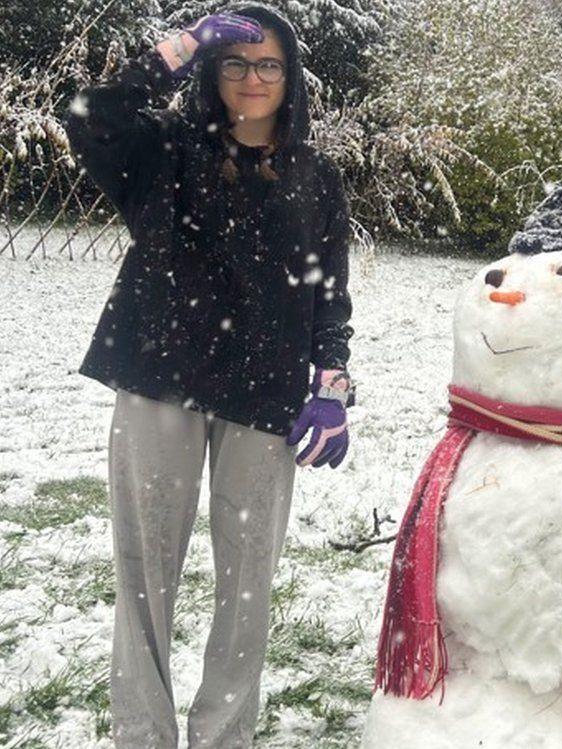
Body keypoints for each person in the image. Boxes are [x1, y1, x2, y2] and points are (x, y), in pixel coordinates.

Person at [66, 4, 353, 746]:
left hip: (266, 394)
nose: (252, 78)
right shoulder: (163, 151)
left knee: (247, 583)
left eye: (269, 65)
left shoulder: (318, 179)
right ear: (212, 72)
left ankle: (225, 733)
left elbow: (330, 294)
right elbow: (91, 113)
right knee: (144, 572)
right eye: (235, 62)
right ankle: (143, 732)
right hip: (159, 372)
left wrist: (333, 384)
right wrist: (178, 47)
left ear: (291, 78)